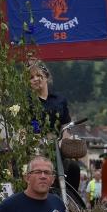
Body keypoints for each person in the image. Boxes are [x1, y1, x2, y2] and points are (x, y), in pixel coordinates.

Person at [28, 60, 81, 194]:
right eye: (31, 77)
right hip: (35, 148)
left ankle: (70, 198)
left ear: (46, 77)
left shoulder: (59, 99)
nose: (35, 79)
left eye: (38, 75)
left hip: (57, 147)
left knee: (73, 167)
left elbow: (66, 125)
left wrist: (64, 140)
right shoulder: (26, 102)